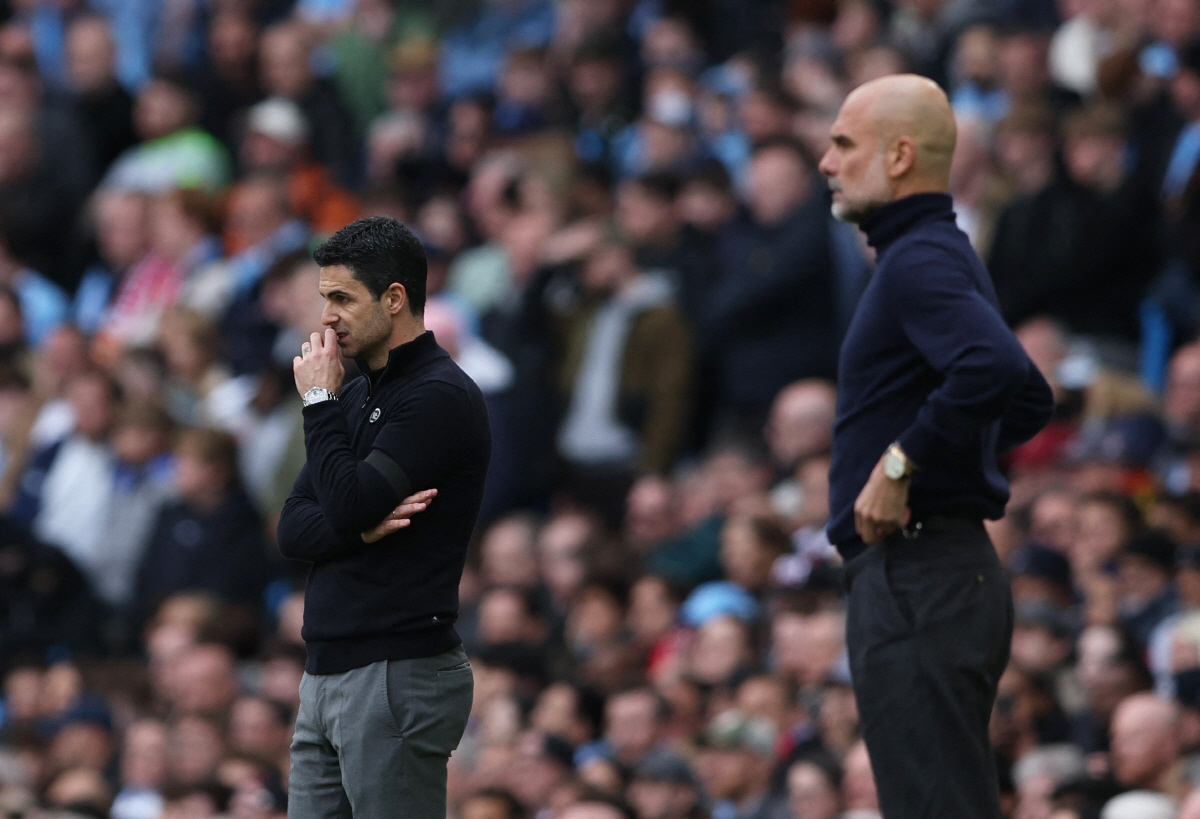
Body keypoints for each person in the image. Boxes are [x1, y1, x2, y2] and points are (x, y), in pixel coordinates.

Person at [819, 74, 1054, 819]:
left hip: (918, 574)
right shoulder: (935, 252)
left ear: (898, 157)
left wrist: (903, 462)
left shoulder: (918, 258)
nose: (827, 161)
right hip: (938, 574)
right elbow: (1027, 397)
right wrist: (958, 451)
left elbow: (999, 370)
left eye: (844, 144)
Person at [277, 216, 492, 819]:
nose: (327, 317)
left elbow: (341, 505)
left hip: (395, 672)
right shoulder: (354, 393)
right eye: (325, 299)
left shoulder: (437, 396)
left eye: (342, 298)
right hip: (327, 672)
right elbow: (292, 526)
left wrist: (317, 401)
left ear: (394, 298)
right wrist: (358, 525)